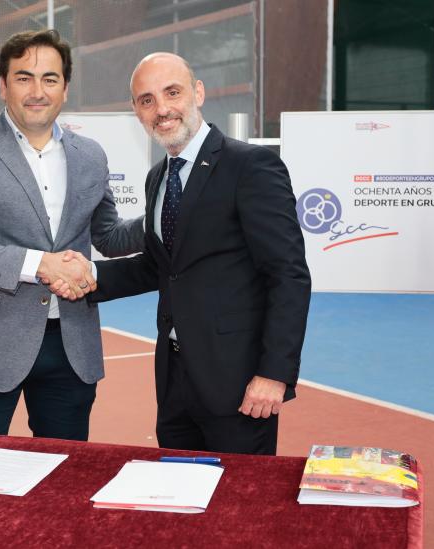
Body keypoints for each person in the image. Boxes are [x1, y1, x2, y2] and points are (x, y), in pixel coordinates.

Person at [0, 29, 144, 441]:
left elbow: (110, 236)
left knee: (63, 485)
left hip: (71, 346)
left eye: (50, 79)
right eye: (24, 77)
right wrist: (40, 263)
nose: (37, 90)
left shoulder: (91, 155)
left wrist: (170, 215)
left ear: (65, 88)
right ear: (3, 86)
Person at [88, 53, 311, 455]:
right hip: (174, 377)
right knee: (180, 499)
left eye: (172, 93)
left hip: (239, 382)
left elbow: (288, 274)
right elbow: (161, 267)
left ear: (198, 93)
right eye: (147, 100)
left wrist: (273, 375)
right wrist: (89, 278)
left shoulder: (251, 166)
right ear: (137, 112)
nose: (161, 109)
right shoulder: (158, 177)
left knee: (238, 509)